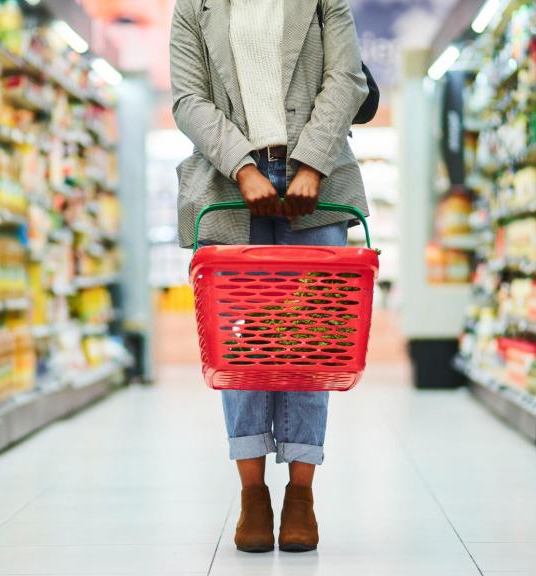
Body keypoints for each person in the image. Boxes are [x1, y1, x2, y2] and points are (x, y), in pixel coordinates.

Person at [170, 0, 369, 553]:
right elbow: (189, 99)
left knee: (311, 344)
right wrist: (243, 166)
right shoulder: (194, 7)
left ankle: (301, 492)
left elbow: (346, 78)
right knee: (242, 348)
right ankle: (253, 493)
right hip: (226, 184)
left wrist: (311, 163)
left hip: (319, 183)